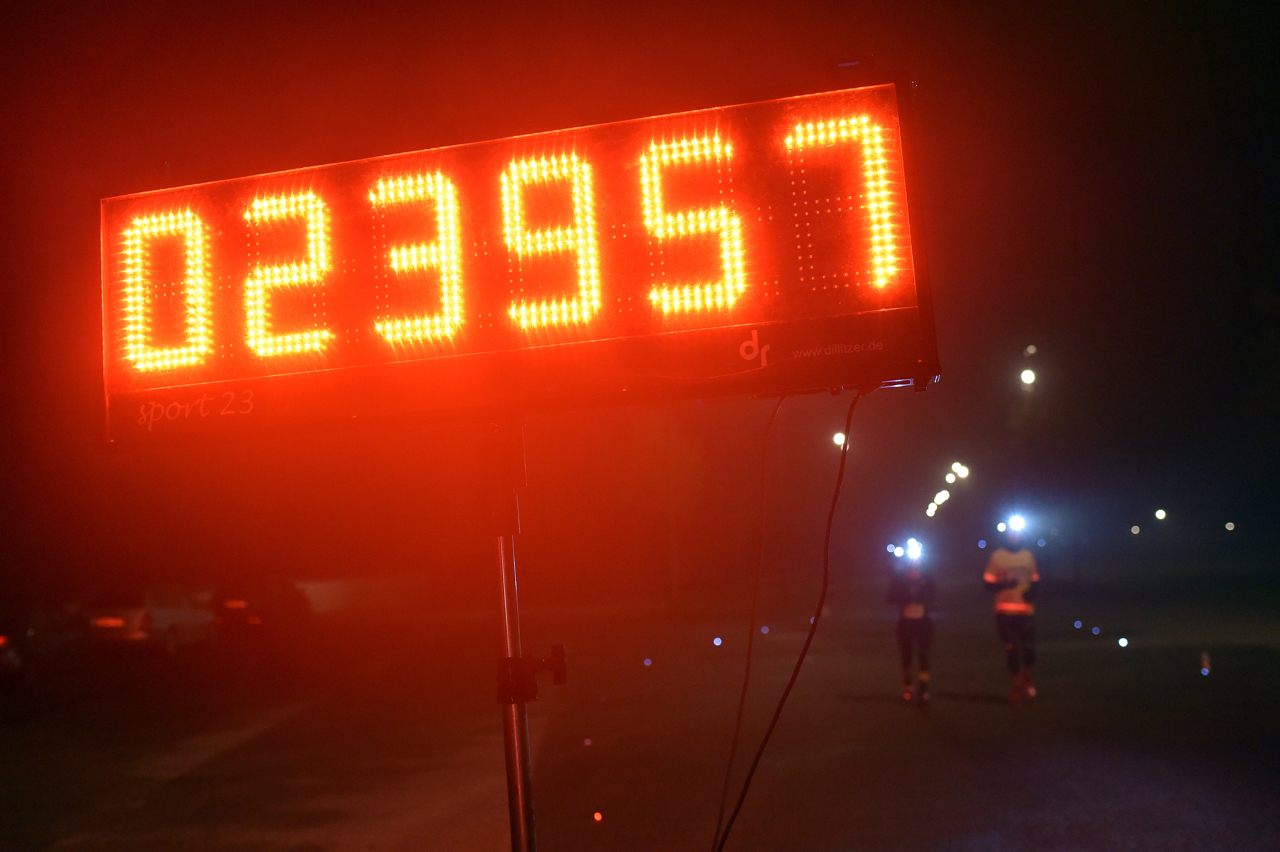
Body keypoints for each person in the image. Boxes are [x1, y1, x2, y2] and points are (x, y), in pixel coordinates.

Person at [983, 526, 1040, 703]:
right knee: (1012, 648)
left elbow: (1036, 580)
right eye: (1011, 534)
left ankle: (1027, 677)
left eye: (1018, 534)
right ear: (1007, 536)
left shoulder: (1028, 556)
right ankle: (1015, 686)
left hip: (1025, 610)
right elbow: (988, 584)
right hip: (1004, 611)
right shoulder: (997, 557)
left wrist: (1032, 593)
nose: (1014, 537)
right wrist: (1004, 585)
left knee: (1029, 647)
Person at [887, 558, 935, 704]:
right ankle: (908, 685)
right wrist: (906, 598)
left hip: (922, 623)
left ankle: (923, 689)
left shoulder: (927, 579)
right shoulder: (900, 580)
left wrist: (923, 600)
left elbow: (934, 596)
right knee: (907, 654)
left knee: (923, 654)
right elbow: (890, 597)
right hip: (905, 623)